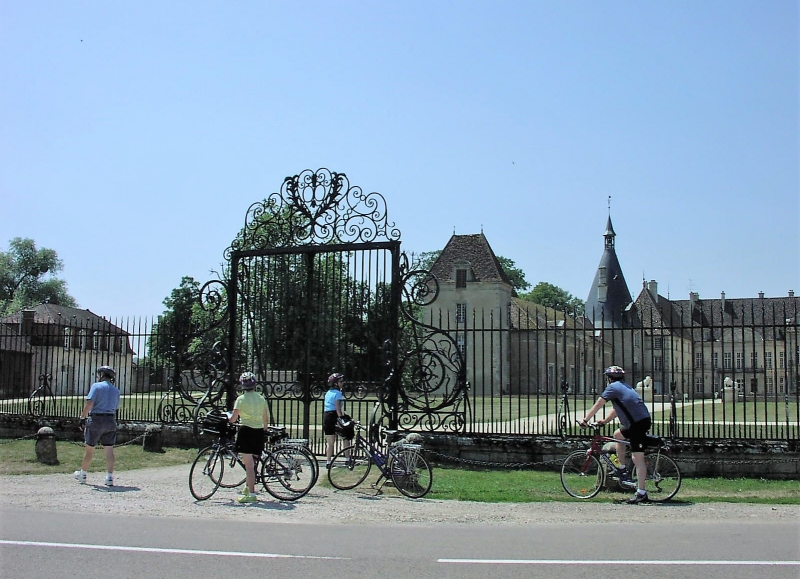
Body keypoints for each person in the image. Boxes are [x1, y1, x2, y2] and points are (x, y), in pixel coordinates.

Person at [580, 365, 652, 504]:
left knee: (637, 457)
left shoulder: (612, 388)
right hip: (639, 421)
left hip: (638, 423)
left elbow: (598, 404)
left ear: (609, 378)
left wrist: (585, 420)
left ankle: (641, 493)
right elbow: (617, 408)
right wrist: (605, 421)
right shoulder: (623, 386)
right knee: (618, 434)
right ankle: (622, 468)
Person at [74, 366, 121, 486]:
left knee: (89, 449)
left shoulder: (96, 386)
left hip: (96, 419)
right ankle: (109, 477)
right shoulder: (116, 390)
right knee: (109, 449)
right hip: (110, 419)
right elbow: (116, 407)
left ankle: (83, 474)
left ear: (102, 375)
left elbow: (90, 403)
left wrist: (82, 417)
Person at [227, 372, 269, 503]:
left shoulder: (241, 399)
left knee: (249, 466)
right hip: (258, 431)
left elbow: (233, 419)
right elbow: (265, 418)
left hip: (246, 431)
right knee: (253, 463)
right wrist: (265, 430)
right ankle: (247, 486)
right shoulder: (261, 398)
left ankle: (251, 494)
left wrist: (228, 417)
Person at [323, 373, 354, 469]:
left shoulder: (328, 393)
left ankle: (328, 462)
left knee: (331, 441)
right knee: (346, 437)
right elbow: (338, 409)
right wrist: (343, 419)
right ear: (336, 383)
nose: (342, 383)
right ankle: (347, 460)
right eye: (341, 381)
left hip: (326, 416)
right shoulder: (338, 394)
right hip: (334, 416)